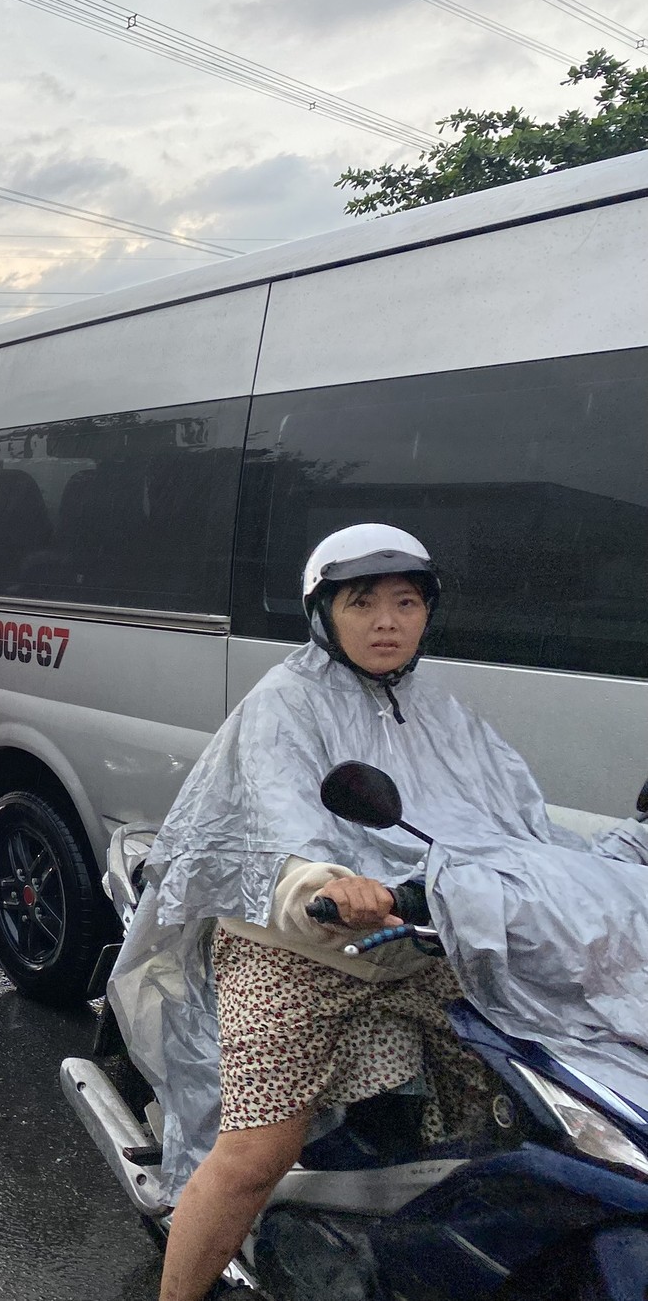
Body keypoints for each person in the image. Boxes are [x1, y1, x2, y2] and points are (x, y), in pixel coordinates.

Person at [117, 524, 646, 1301]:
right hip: (297, 953)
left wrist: (610, 857)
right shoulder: (284, 705)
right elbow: (277, 829)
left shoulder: (444, 706)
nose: (387, 622)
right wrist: (327, 888)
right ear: (323, 612)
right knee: (254, 1155)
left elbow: (518, 825)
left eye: (407, 602)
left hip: (426, 942)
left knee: (542, 1073)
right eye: (363, 603)